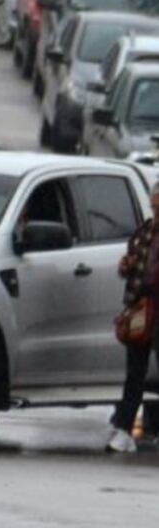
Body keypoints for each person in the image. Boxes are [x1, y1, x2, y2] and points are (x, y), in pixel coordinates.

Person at [109, 182, 159, 453]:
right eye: (155, 198)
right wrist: (126, 267)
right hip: (141, 310)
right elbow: (133, 265)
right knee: (135, 374)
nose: (155, 203)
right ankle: (124, 427)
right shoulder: (145, 232)